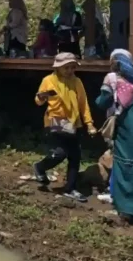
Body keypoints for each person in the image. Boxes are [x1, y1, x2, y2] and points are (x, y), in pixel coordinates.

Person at [95, 50, 133, 219]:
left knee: (126, 165)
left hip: (128, 126)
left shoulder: (112, 78)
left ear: (113, 62)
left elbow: (103, 102)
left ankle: (128, 209)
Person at [33, 53, 97, 202]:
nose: (69, 70)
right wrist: (41, 97)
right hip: (54, 122)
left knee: (75, 156)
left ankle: (70, 188)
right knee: (60, 153)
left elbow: (83, 104)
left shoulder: (77, 82)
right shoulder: (48, 80)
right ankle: (40, 167)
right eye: (66, 67)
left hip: (73, 124)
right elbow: (38, 101)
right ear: (58, 68)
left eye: (72, 67)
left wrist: (89, 123)